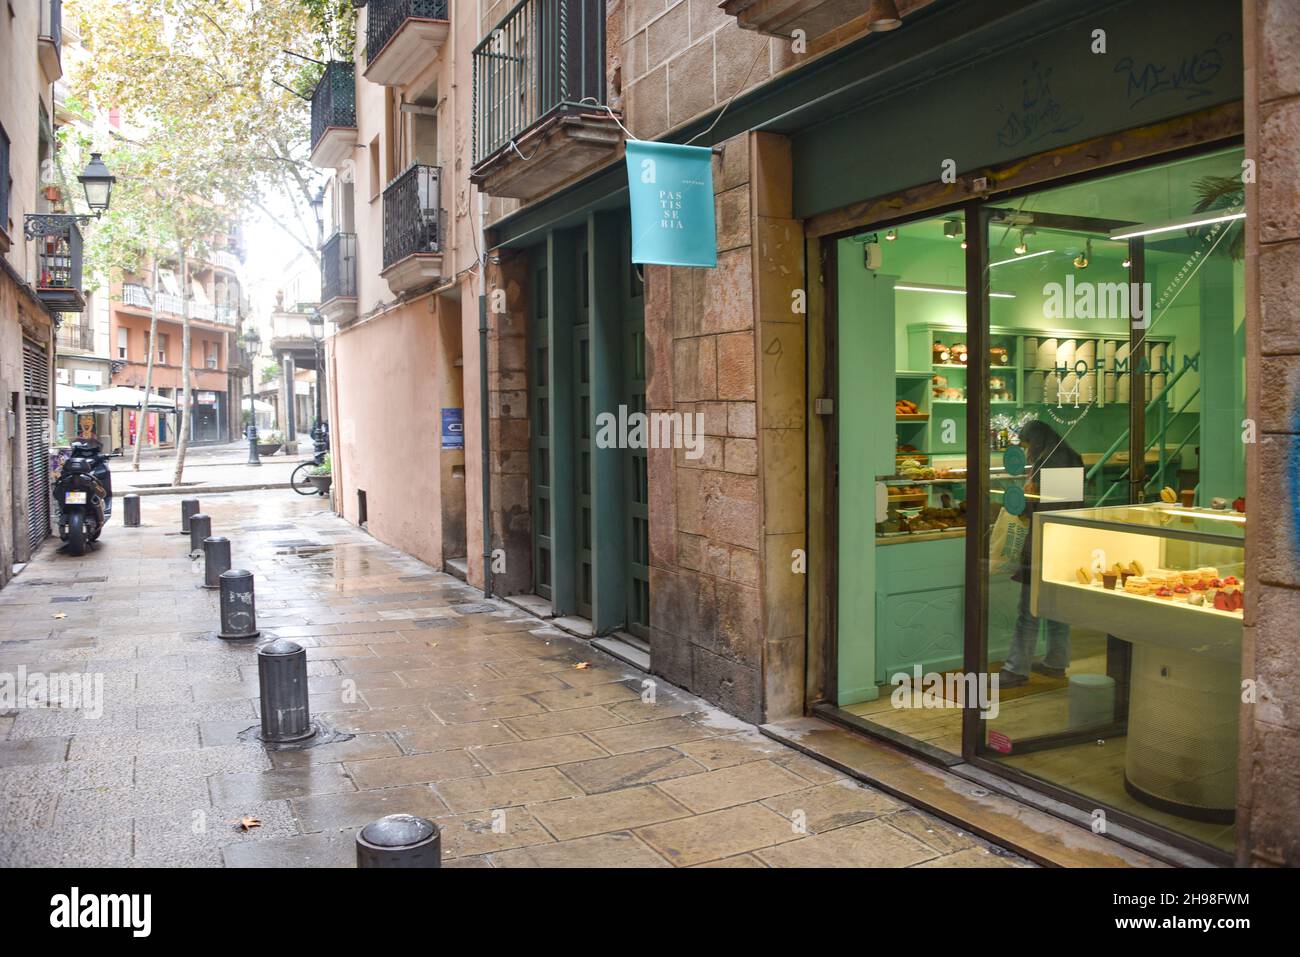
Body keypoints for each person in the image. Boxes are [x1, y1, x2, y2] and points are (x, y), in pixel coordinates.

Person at [999, 419, 1084, 688]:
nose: (1026, 452)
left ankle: (1016, 668)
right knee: (1057, 607)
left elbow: (1042, 509)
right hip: (1067, 541)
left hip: (1043, 542)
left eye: (1027, 446)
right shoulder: (1070, 457)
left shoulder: (1048, 464)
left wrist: (1020, 504)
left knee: (1029, 608)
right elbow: (1068, 505)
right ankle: (1056, 662)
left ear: (1036, 441)